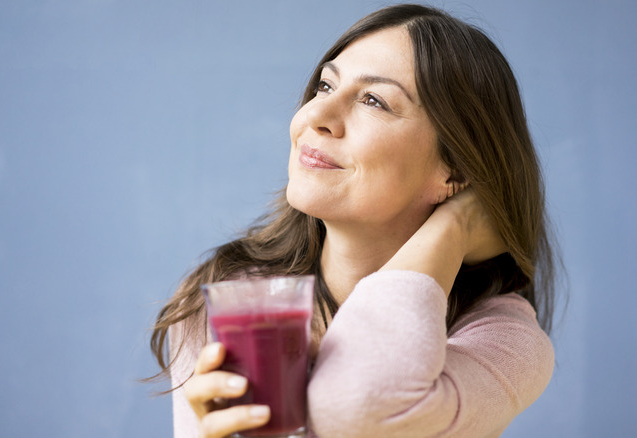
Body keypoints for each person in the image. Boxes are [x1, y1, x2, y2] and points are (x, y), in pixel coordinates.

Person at [149, 4, 559, 437]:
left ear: (454, 170)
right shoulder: (229, 295)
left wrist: (454, 227)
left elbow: (360, 407)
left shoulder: (499, 338)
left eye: (373, 100)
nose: (316, 118)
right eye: (325, 86)